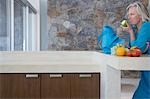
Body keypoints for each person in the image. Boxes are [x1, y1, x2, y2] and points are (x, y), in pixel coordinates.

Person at [121, 1, 150, 99]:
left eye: (132, 14)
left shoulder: (147, 26)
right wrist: (131, 31)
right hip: (146, 70)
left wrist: (130, 32)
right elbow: (132, 48)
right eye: (128, 14)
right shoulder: (138, 29)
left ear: (141, 15)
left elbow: (137, 49)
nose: (129, 17)